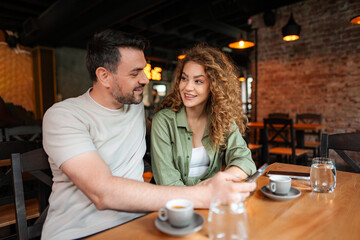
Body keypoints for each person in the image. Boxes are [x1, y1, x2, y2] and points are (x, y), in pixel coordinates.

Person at [41, 29, 256, 239]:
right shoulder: (64, 116)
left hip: (140, 223)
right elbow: (102, 192)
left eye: (144, 70)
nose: (145, 79)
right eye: (135, 73)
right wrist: (206, 194)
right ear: (104, 76)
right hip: (80, 232)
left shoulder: (135, 108)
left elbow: (237, 154)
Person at [151, 44, 256, 186]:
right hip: (176, 205)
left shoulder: (222, 118)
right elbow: (168, 182)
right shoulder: (164, 121)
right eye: (184, 78)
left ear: (214, 86)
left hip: (210, 201)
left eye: (198, 81)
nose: (188, 87)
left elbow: (245, 161)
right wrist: (207, 190)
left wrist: (219, 180)